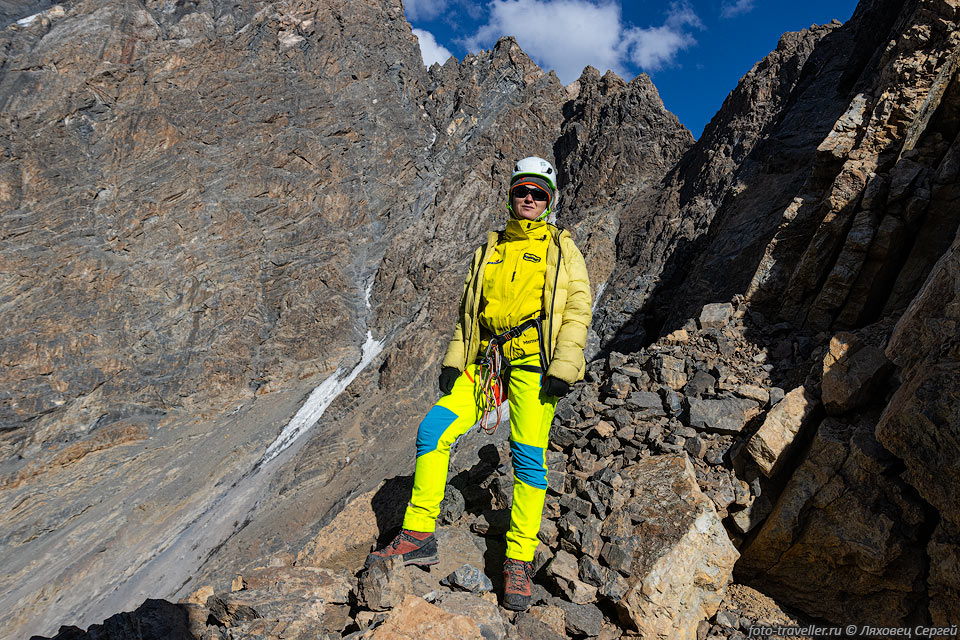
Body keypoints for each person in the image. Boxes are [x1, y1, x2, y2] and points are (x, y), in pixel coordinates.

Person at [366, 156, 592, 611]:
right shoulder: (489, 247)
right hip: (487, 364)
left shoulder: (561, 248)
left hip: (534, 366)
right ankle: (418, 534)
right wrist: (455, 360)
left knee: (528, 461)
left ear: (550, 201)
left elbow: (577, 309)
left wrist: (566, 366)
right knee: (433, 430)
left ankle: (517, 561)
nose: (529, 198)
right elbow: (467, 313)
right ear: (510, 194)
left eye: (538, 193)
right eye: (521, 191)